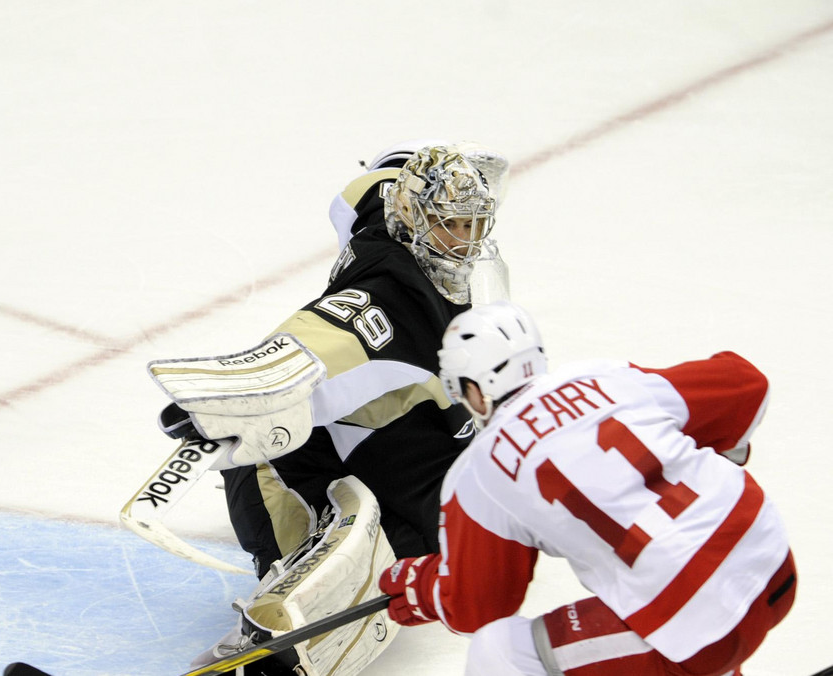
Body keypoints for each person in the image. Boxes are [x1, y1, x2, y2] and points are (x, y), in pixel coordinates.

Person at [149, 140, 511, 675]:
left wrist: (403, 159)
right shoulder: (392, 295)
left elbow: (366, 190)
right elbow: (313, 346)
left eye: (474, 224)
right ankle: (278, 627)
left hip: (400, 462)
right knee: (359, 548)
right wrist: (227, 401)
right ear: (413, 220)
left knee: (410, 523)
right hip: (304, 462)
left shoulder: (387, 206)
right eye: (451, 226)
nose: (466, 242)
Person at [379, 301, 796, 676]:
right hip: (771, 560)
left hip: (702, 629)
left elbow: (478, 609)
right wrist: (727, 445)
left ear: (473, 389)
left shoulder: (480, 472)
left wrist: (425, 585)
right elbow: (747, 384)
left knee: (499, 653)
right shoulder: (604, 377)